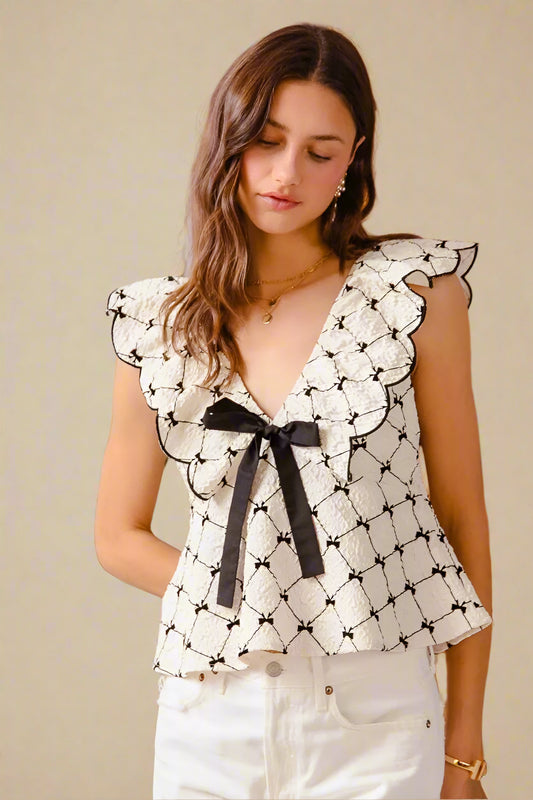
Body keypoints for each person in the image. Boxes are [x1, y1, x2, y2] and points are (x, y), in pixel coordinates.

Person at [95, 22, 493, 800]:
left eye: (320, 151)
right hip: (209, 708)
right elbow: (117, 538)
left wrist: (463, 751)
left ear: (353, 161)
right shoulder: (159, 321)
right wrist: (249, 589)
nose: (286, 173)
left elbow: (461, 520)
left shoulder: (412, 294)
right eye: (266, 142)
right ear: (226, 144)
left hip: (373, 710)